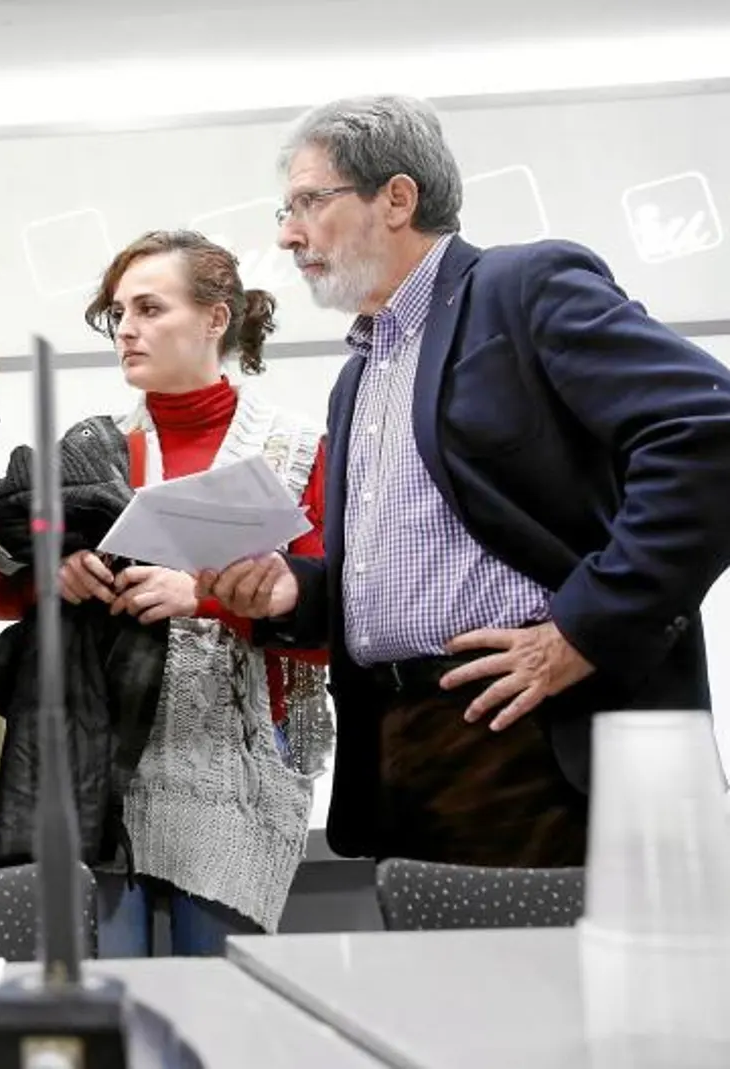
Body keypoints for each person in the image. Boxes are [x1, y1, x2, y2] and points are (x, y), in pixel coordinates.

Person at [200, 93, 730, 867]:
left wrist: (590, 626)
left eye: (309, 202)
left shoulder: (526, 287)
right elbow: (418, 564)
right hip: (400, 750)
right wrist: (299, 592)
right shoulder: (357, 377)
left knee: (548, 987)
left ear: (397, 198)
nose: (287, 233)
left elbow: (707, 430)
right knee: (433, 989)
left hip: (539, 739)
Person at [0, 231, 331, 954]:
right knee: (117, 1000)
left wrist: (202, 593)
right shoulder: (93, 447)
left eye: (148, 307)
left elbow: (329, 625)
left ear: (215, 318)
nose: (128, 329)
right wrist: (58, 573)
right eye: (118, 313)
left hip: (236, 772)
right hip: (101, 762)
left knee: (222, 1001)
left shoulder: (298, 450)